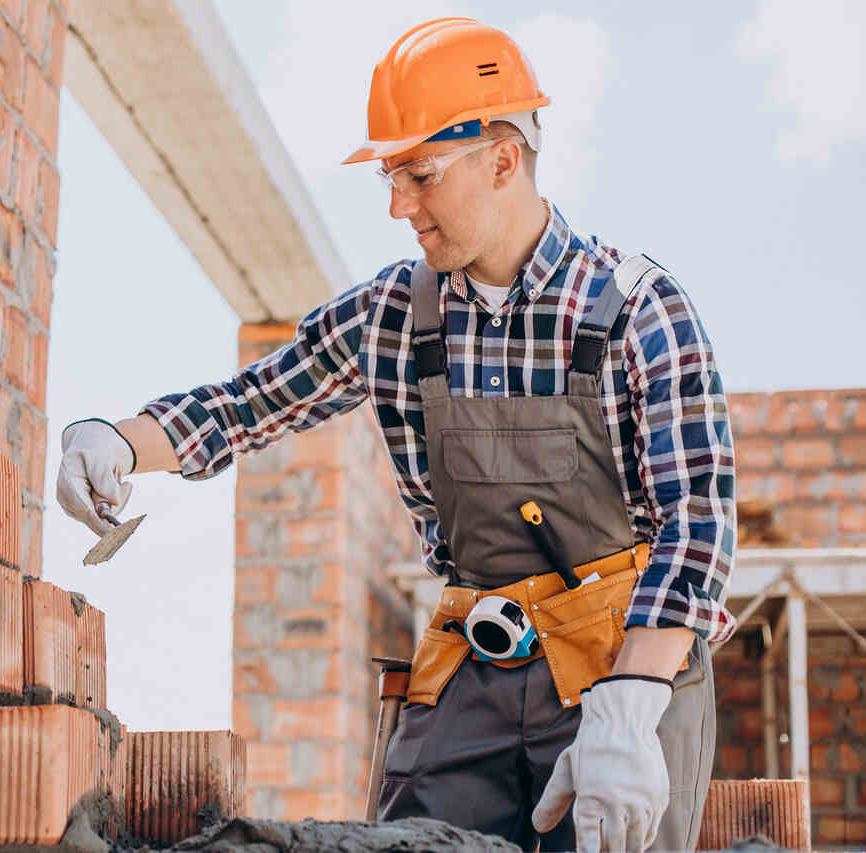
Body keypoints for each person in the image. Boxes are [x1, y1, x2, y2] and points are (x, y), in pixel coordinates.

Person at [55, 17, 736, 853]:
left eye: (419, 173)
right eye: (390, 175)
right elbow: (248, 401)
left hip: (622, 660)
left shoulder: (635, 307)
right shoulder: (394, 315)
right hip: (475, 666)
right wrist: (117, 440)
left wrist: (632, 701)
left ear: (501, 158)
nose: (397, 205)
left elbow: (698, 523)